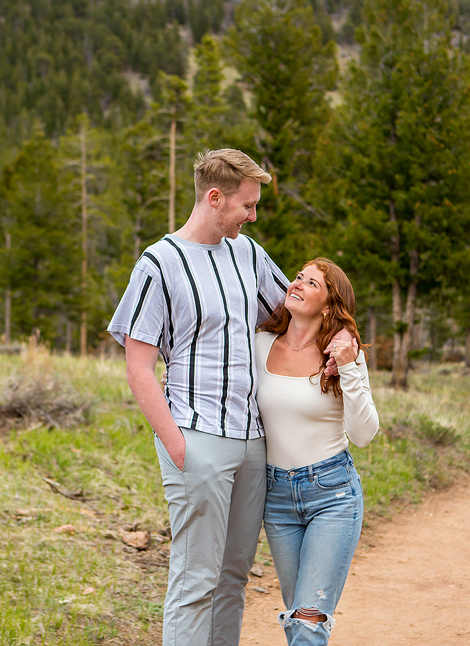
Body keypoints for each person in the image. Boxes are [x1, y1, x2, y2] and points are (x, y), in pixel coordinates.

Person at [107, 149, 350, 646]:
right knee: (195, 581)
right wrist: (176, 444)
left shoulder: (249, 253)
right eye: (247, 204)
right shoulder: (159, 264)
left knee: (232, 579)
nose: (253, 215)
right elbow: (138, 366)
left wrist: (343, 335)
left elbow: (300, 312)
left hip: (253, 443)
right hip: (196, 438)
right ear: (214, 198)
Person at [255, 258, 379, 646]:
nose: (298, 284)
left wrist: (350, 370)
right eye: (298, 277)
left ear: (328, 305)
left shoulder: (341, 355)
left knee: (309, 622)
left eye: (312, 283)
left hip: (332, 495)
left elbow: (364, 433)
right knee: (298, 618)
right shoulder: (259, 344)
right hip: (275, 497)